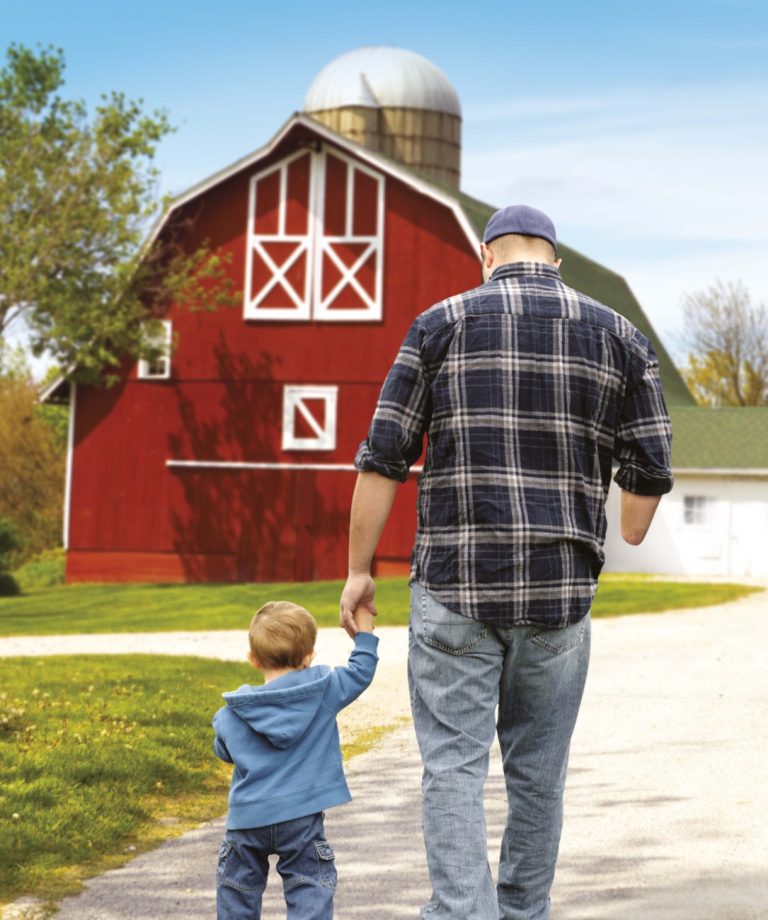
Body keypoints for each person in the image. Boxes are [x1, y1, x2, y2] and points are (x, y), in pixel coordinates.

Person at [339, 205, 673, 920]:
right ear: (556, 258)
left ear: (485, 257)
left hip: (456, 585)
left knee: (453, 768)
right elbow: (648, 475)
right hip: (559, 593)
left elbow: (383, 456)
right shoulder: (620, 335)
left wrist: (358, 570)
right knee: (538, 775)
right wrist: (623, 521)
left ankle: (463, 912)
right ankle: (523, 912)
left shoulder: (439, 323)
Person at [213, 600, 378, 919]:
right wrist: (365, 629)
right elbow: (361, 672)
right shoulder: (324, 690)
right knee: (309, 886)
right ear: (308, 657)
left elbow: (223, 752)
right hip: (301, 819)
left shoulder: (232, 713)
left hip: (247, 821)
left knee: (237, 892)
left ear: (252, 659)